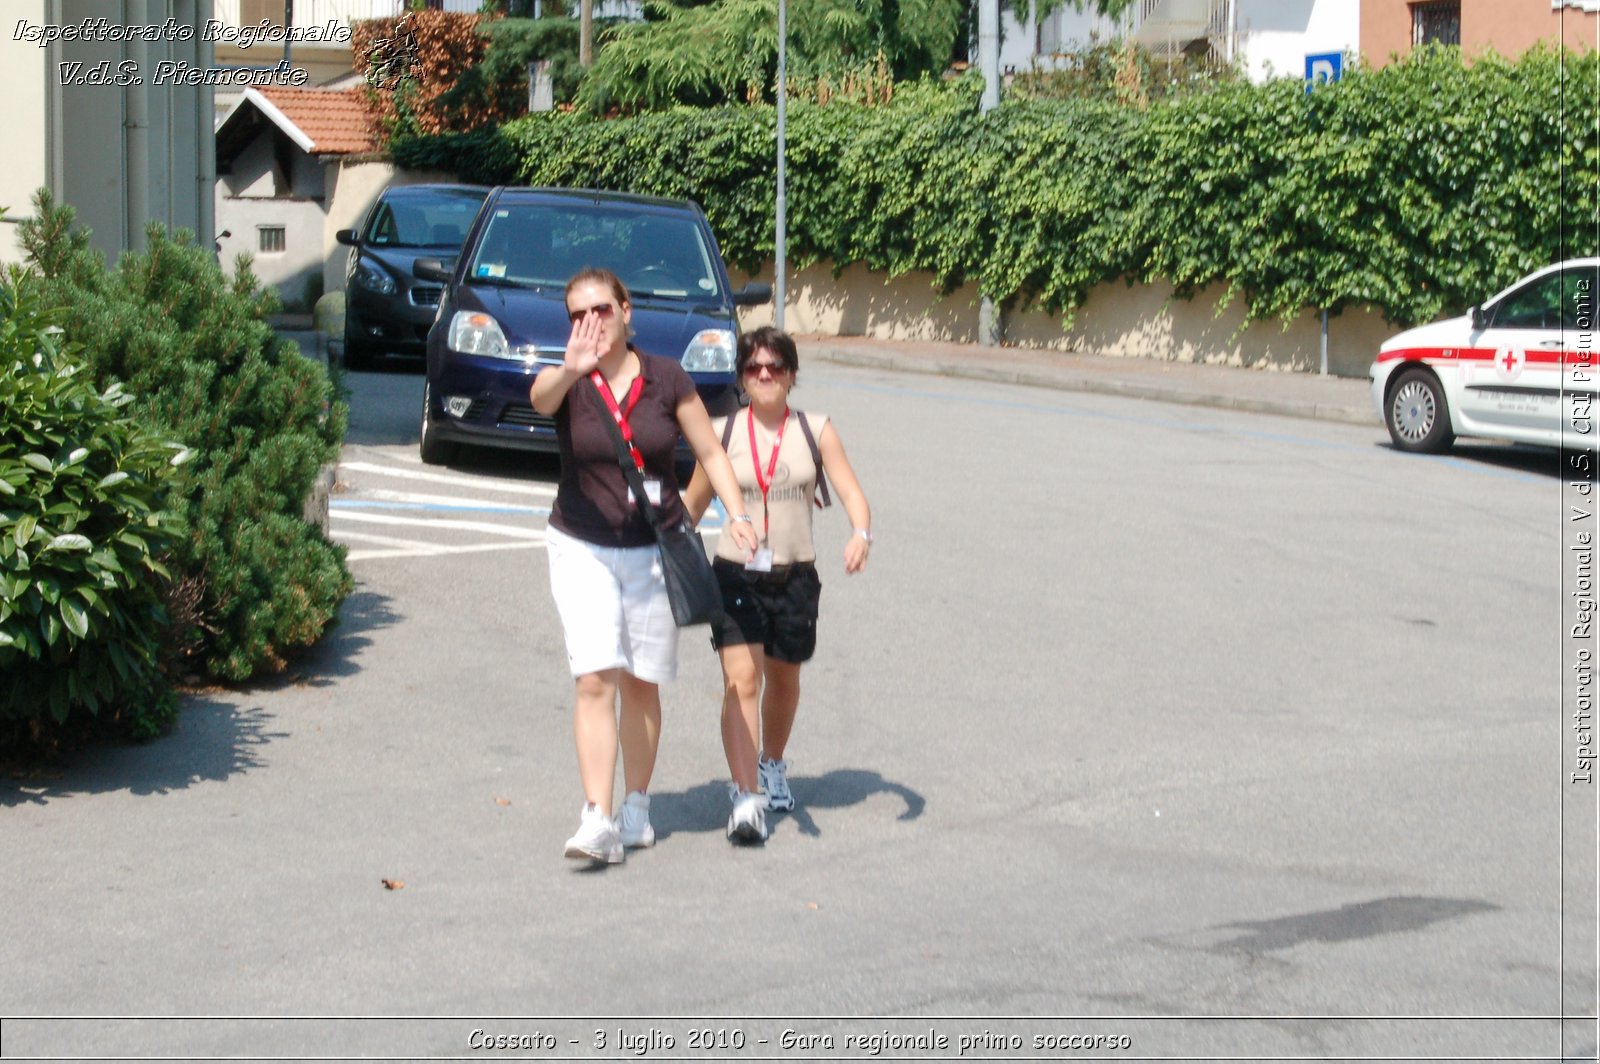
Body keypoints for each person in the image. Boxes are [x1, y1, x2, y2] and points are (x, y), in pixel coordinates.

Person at [531, 267, 760, 866]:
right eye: (578, 315)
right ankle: (597, 817)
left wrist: (734, 513)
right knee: (595, 677)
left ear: (627, 311)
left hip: (652, 548)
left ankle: (635, 807)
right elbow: (540, 397)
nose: (591, 324)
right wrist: (571, 369)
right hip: (581, 545)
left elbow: (709, 450)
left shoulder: (666, 378)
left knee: (640, 681)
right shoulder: (569, 380)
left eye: (602, 310)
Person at [684, 327, 873, 845]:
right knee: (742, 681)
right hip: (735, 573)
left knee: (784, 680)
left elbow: (853, 493)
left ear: (791, 375)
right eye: (753, 368)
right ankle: (745, 797)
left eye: (775, 367)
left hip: (795, 576)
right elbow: (691, 509)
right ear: (742, 378)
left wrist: (861, 534)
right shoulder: (722, 434)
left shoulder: (816, 430)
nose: (764, 375)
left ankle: (772, 764)